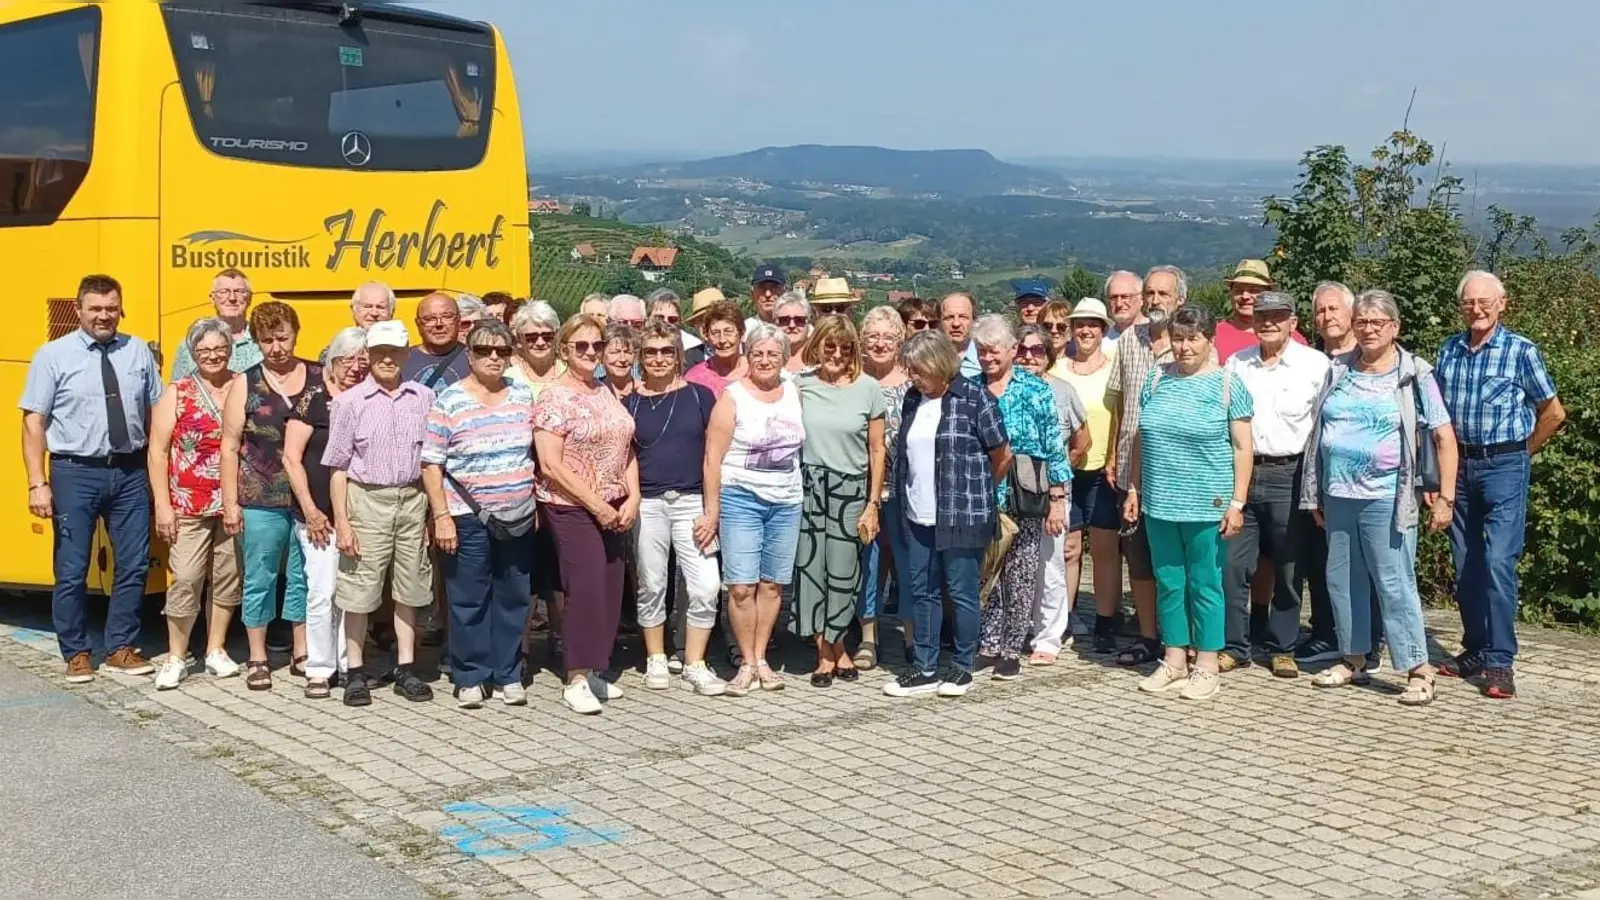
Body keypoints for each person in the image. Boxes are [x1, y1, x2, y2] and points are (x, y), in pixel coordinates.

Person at [1300, 290, 1458, 705]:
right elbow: (1319, 432)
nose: (1368, 329)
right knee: (1343, 579)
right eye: (1362, 322)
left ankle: (1418, 670)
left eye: (1378, 322)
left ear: (1395, 328)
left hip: (1388, 496)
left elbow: (1443, 436)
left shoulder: (1414, 375)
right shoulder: (1338, 369)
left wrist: (1446, 496)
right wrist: (1315, 490)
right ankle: (1354, 660)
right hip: (1337, 494)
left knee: (1394, 582)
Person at [21, 274, 163, 682]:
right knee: (71, 568)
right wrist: (37, 482)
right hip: (74, 472)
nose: (104, 316)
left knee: (134, 564)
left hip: (129, 471)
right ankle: (77, 652)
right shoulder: (52, 355)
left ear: (121, 308)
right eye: (95, 309)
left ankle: (120, 646)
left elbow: (155, 415)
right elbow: (33, 422)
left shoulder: (136, 351)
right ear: (79, 310)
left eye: (111, 308)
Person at [1434, 271, 1566, 699]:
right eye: (1469, 302)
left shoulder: (1521, 350)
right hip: (1460, 466)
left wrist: (1521, 453)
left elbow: (1554, 412)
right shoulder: (1449, 350)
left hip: (1505, 464)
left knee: (1496, 562)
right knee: (1466, 563)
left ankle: (1500, 660)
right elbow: (1437, 419)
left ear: (1502, 303)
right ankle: (1474, 648)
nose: (1476, 309)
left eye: (1484, 302)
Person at [1123, 306, 1254, 702]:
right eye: (1178, 338)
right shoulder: (1155, 381)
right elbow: (1141, 439)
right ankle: (1174, 658)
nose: (1183, 347)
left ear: (1209, 340)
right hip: (1161, 502)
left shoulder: (1228, 385)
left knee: (1205, 584)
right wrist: (1134, 489)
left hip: (1207, 503)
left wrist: (1237, 502)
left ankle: (1208, 664)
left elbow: (1242, 447)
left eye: (1192, 338)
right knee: (1170, 582)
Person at [883, 330, 1011, 699]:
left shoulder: (975, 398)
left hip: (963, 515)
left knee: (962, 592)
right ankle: (924, 667)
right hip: (917, 513)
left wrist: (980, 491)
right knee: (922, 591)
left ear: (939, 365)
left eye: (919, 370)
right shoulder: (912, 399)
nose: (913, 378)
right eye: (910, 371)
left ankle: (961, 667)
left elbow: (1001, 454)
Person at [421, 319, 538, 710]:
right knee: (469, 598)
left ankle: (508, 673)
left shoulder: (523, 395)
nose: (493, 357)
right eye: (484, 350)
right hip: (467, 517)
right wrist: (441, 516)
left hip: (517, 513)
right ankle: (469, 675)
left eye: (502, 351)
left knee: (514, 595)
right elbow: (431, 464)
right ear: (469, 354)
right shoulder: (449, 401)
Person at [323, 319, 437, 707]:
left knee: (411, 587)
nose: (387, 359)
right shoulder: (348, 403)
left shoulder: (423, 397)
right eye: (379, 352)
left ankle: (406, 666)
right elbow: (338, 467)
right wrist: (342, 522)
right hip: (366, 500)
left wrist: (430, 515)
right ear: (368, 356)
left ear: (406, 353)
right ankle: (355, 670)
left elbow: (430, 461)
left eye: (394, 352)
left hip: (411, 499)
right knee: (359, 589)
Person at [532, 314, 639, 715]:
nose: (591, 353)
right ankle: (574, 676)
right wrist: (595, 504)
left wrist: (633, 498)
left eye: (597, 346)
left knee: (611, 589)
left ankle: (597, 666)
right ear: (564, 349)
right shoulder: (553, 397)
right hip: (571, 506)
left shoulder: (604, 391)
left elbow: (627, 446)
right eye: (582, 346)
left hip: (614, 505)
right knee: (585, 587)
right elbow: (550, 464)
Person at [1222, 291, 1330, 678]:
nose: (1269, 323)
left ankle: (1282, 647)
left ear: (1293, 322)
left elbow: (1324, 425)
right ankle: (1234, 646)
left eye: (1278, 316)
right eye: (1262, 317)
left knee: (1288, 567)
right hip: (1242, 475)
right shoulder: (1237, 363)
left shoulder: (1315, 365)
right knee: (1233, 565)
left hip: (1291, 473)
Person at [701, 323, 806, 696]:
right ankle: (745, 661)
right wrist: (712, 511)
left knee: (772, 585)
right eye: (758, 353)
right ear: (748, 356)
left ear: (783, 359)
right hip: (740, 498)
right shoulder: (731, 397)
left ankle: (762, 657)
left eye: (772, 354)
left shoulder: (795, 390)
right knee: (742, 587)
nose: (765, 360)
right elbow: (712, 457)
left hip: (787, 499)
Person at [220, 302, 318, 690]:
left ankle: (302, 650)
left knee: (302, 574)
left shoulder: (316, 375)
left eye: (283, 337)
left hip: (308, 496)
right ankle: (257, 655)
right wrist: (230, 502)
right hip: (259, 494)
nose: (276, 347)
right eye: (267, 340)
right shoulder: (246, 381)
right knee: (260, 577)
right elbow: (229, 446)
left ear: (296, 332)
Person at [624, 321, 725, 696]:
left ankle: (695, 662)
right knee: (652, 583)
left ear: (679, 355)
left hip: (691, 502)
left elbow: (712, 458)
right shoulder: (629, 402)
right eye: (650, 352)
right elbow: (626, 458)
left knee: (706, 585)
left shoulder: (700, 397)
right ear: (640, 357)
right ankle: (655, 657)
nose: (659, 358)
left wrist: (711, 510)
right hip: (648, 504)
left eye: (667, 351)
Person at [147, 319, 243, 689]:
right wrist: (163, 505)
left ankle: (216, 649)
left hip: (234, 500)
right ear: (193, 353)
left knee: (228, 576)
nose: (213, 356)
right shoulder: (179, 391)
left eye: (219, 348)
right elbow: (157, 451)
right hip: (188, 500)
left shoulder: (241, 385)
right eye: (204, 350)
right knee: (186, 577)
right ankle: (176, 655)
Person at [973, 316, 1069, 681]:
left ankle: (1012, 648)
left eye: (994, 351)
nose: (987, 359)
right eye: (981, 351)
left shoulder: (1035, 389)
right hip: (983, 493)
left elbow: (1053, 445)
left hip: (1026, 492)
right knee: (988, 571)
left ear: (1012, 350)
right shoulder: (970, 389)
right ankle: (988, 644)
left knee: (1022, 572)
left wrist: (1057, 498)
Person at [793, 316, 886, 687]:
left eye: (844, 348)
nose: (836, 354)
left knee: (845, 573)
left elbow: (877, 449)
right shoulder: (800, 386)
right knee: (812, 570)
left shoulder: (869, 388)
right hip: (810, 485)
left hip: (851, 489)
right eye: (829, 346)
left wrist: (873, 502)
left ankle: (838, 641)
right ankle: (825, 654)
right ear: (817, 346)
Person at [283, 327, 368, 699]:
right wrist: (311, 509)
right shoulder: (313, 400)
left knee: (354, 592)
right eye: (345, 360)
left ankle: (350, 662)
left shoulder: (370, 398)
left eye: (360, 360)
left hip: (362, 513)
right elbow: (291, 458)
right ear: (329, 363)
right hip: (317, 515)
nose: (354, 367)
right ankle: (319, 666)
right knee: (322, 591)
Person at [1049, 297, 1123, 655]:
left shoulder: (1115, 367)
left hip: (1102, 470)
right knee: (1069, 548)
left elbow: (1121, 417)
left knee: (1106, 549)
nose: (1085, 330)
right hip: (1065, 471)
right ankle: (1065, 616)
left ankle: (1105, 621)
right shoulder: (1058, 368)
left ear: (1104, 329)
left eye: (1093, 324)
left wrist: (1113, 457)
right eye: (1079, 324)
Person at [1014, 324, 1089, 664]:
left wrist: (1056, 473)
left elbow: (1081, 440)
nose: (1029, 356)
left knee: (1050, 565)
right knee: (1013, 564)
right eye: (1022, 349)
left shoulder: (1063, 391)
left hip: (1053, 493)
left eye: (1037, 350)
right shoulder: (1003, 388)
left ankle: (1048, 636)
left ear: (1049, 354)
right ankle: (1016, 630)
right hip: (1012, 491)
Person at [856, 306, 913, 669]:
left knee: (910, 567)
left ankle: (911, 635)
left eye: (887, 337)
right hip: (863, 491)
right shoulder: (853, 381)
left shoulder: (914, 383)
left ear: (900, 341)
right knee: (869, 564)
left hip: (907, 491)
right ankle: (868, 639)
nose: (879, 344)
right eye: (872, 337)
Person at [169, 268, 263, 380]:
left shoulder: (263, 340)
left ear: (250, 298)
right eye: (224, 292)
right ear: (212, 299)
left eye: (239, 291)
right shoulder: (190, 344)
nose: (232, 298)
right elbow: (178, 390)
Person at [1213, 260, 1308, 361]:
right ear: (1230, 294)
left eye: (1254, 291)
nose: (1245, 296)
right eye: (1238, 291)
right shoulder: (1212, 335)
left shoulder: (1289, 336)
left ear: (1268, 295)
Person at [403, 293, 470, 390]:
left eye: (447, 316)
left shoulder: (475, 359)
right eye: (430, 318)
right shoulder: (402, 360)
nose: (439, 324)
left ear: (458, 321)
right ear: (418, 324)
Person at [684, 298, 748, 396]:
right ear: (707, 336)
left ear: (742, 334)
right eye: (715, 333)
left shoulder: (757, 371)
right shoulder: (695, 378)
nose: (722, 340)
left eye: (728, 332)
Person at [506, 300, 567, 396]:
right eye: (531, 337)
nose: (540, 343)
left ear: (556, 335)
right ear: (519, 338)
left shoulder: (569, 372)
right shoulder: (509, 379)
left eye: (547, 336)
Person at [938, 292, 981, 378]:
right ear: (939, 322)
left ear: (974, 320)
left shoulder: (987, 358)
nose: (956, 323)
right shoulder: (928, 358)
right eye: (949, 317)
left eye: (963, 317)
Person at [774, 292, 812, 376]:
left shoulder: (820, 359)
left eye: (799, 320)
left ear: (808, 323)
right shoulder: (766, 359)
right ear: (775, 323)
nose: (792, 325)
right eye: (784, 320)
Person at [1103, 270, 1144, 344]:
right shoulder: (1101, 341)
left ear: (1141, 298)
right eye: (1113, 297)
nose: (1119, 304)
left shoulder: (1157, 336)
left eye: (1125, 297)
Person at [745, 264, 787, 334]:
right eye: (761, 288)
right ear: (752, 294)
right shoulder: (745, 331)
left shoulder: (796, 329)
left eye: (774, 287)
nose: (768, 294)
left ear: (784, 292)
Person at [601, 322, 639, 400]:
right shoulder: (593, 391)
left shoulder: (643, 391)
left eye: (628, 352)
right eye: (615, 352)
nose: (623, 359)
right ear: (601, 356)